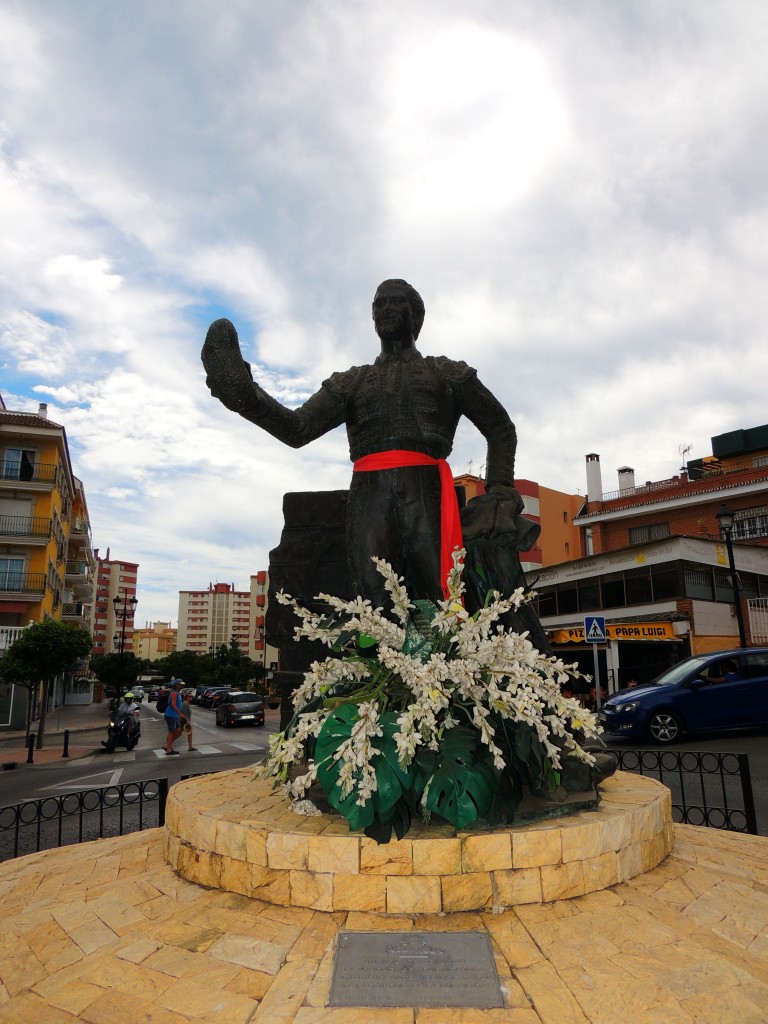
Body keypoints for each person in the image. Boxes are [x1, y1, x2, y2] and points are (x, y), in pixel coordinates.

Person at [202, 279, 528, 610]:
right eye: (378, 304)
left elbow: (500, 427)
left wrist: (500, 489)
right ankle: (377, 660)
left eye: (395, 301)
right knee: (373, 599)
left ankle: (446, 662)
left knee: (441, 595)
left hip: (427, 490)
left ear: (416, 315)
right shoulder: (352, 381)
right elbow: (297, 428)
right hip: (370, 493)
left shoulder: (446, 373)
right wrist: (247, 399)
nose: (384, 309)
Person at [164, 679, 187, 755]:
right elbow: (173, 704)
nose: (182, 686)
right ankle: (169, 750)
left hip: (175, 715)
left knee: (179, 730)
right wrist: (179, 713)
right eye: (180, 684)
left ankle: (168, 746)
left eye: (182, 684)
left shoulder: (178, 693)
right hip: (171, 715)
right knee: (171, 732)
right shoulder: (174, 693)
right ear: (176, 685)